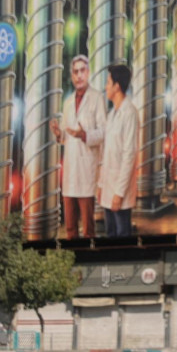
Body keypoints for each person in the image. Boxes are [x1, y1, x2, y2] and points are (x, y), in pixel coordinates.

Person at [50, 55, 106, 239]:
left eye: (82, 71)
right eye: (75, 72)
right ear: (72, 76)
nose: (79, 75)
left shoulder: (97, 98)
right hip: (70, 171)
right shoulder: (67, 103)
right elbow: (67, 136)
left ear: (88, 73)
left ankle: (89, 262)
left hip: (86, 170)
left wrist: (84, 135)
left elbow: (103, 133)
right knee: (70, 227)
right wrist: (59, 134)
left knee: (88, 228)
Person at [99, 64, 139, 238]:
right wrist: (101, 184)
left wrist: (119, 193)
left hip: (119, 191)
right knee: (110, 234)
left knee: (122, 235)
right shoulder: (113, 114)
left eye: (108, 82)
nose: (106, 87)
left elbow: (129, 155)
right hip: (108, 187)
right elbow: (106, 153)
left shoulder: (129, 113)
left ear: (117, 86)